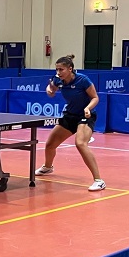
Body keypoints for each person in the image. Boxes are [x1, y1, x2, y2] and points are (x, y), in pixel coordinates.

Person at [37, 54, 106, 191]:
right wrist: (49, 90)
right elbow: (51, 89)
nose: (58, 72)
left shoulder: (83, 80)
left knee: (80, 143)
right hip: (70, 115)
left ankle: (99, 180)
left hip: (85, 115)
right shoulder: (58, 79)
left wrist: (88, 108)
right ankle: (48, 167)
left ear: (70, 69)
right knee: (50, 144)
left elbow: (95, 98)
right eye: (57, 69)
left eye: (61, 69)